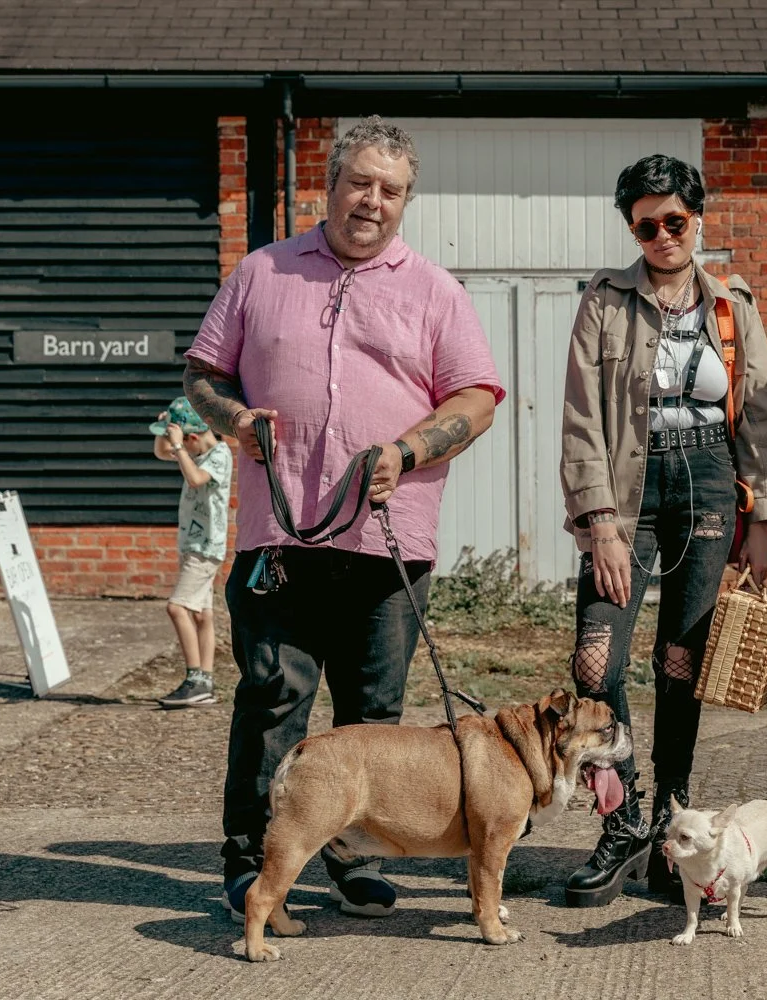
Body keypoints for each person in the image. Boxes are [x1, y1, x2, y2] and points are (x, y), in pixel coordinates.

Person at [182, 116, 504, 922]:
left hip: (387, 540)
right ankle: (252, 861)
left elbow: (475, 398)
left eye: (390, 189)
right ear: (328, 184)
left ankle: (354, 855)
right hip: (277, 536)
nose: (372, 201)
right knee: (271, 698)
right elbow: (201, 375)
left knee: (374, 714)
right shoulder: (262, 271)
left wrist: (412, 446)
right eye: (359, 182)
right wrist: (233, 420)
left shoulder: (436, 290)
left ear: (406, 200)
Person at [559, 154, 767, 907]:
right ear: (631, 225)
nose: (661, 235)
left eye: (675, 221)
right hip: (628, 488)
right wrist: (600, 525)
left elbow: (760, 412)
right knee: (597, 661)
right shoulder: (604, 301)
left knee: (680, 662)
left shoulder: (733, 303)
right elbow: (582, 420)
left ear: (698, 217)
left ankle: (674, 825)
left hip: (712, 486)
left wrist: (766, 518)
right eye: (645, 223)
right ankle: (621, 815)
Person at [149, 396, 232, 709]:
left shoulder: (219, 454)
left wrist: (180, 447)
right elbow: (161, 452)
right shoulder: (194, 451)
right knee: (201, 613)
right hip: (193, 544)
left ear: (194, 437)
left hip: (205, 545)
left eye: (185, 443)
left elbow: (196, 480)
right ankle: (205, 682)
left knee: (177, 607)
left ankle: (195, 677)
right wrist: (165, 434)